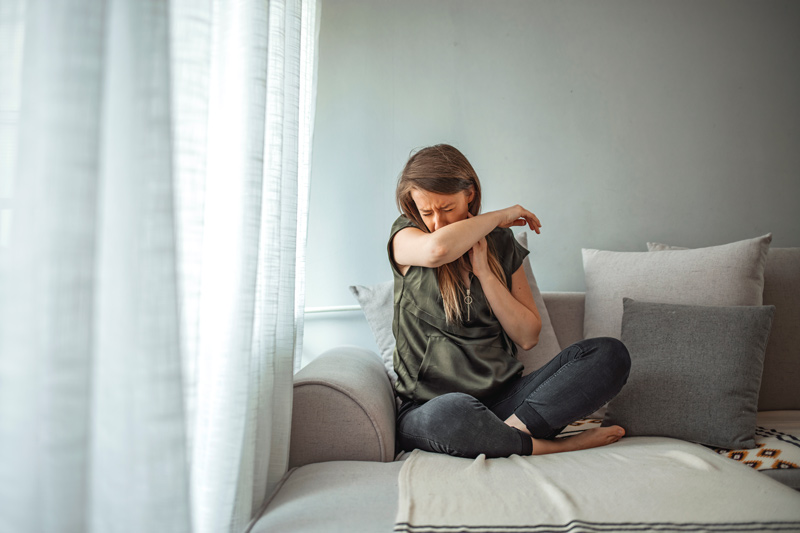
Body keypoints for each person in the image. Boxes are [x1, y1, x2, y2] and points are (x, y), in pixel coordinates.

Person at [389, 144, 631, 458]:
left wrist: (485, 273)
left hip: (508, 404)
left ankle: (501, 437)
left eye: (447, 209)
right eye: (427, 212)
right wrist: (501, 215)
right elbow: (438, 250)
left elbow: (528, 336)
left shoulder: (501, 244)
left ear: (470, 194)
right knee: (453, 411)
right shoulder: (407, 237)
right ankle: (550, 446)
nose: (438, 222)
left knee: (609, 354)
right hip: (431, 408)